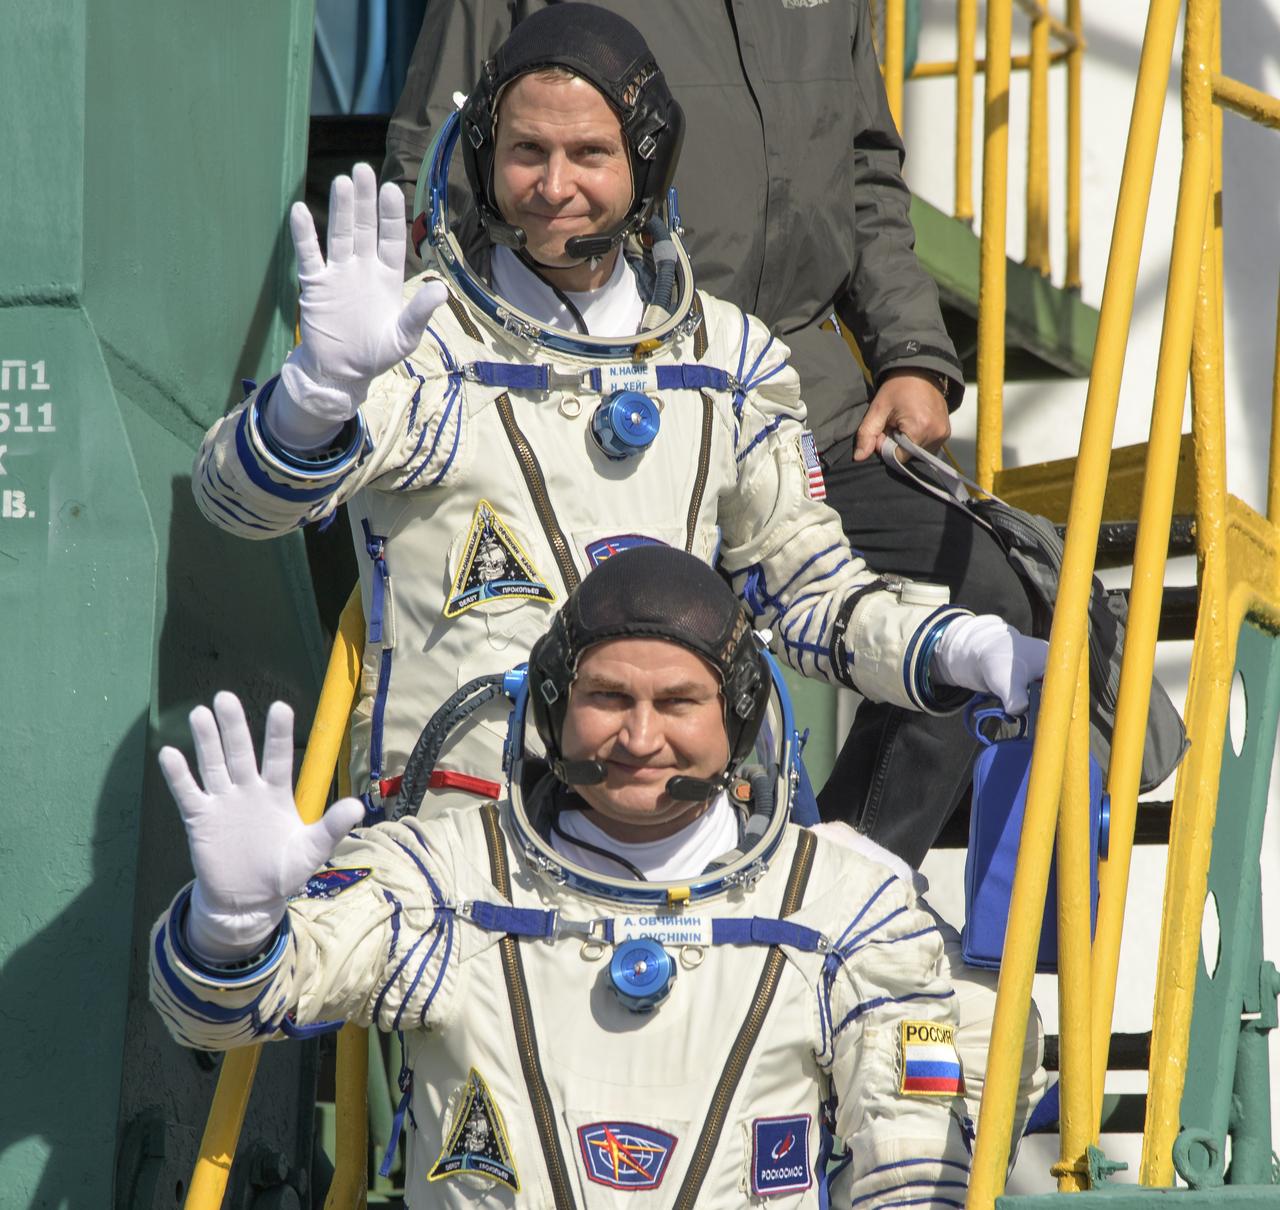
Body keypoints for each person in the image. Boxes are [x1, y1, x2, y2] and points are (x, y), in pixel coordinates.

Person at [194, 5, 1044, 826]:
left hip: (675, 870)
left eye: (589, 153)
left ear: (646, 162)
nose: (554, 187)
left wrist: (958, 650)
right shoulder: (421, 345)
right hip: (454, 865)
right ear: (485, 156)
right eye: (527, 151)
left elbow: (810, 598)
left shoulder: (726, 365)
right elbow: (238, 503)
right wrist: (316, 395)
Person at [150, 546, 1008, 1207]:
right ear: (554, 708)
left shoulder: (849, 904)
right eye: (607, 699)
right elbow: (220, 1019)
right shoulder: (444, 877)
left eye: (678, 704)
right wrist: (233, 926)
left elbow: (912, 1165)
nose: (639, 739)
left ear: (740, 716)